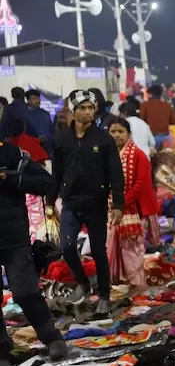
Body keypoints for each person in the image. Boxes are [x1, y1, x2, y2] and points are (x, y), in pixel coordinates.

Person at [49, 90, 125, 314]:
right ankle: (83, 283)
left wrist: (118, 205)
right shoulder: (62, 138)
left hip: (96, 203)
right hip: (71, 202)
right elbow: (56, 173)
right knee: (67, 247)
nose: (87, 112)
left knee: (99, 252)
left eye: (90, 108)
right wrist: (50, 201)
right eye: (82, 108)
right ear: (73, 110)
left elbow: (115, 174)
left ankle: (104, 295)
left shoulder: (104, 139)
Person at [0, 141, 68, 366]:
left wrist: (10, 179)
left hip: (14, 238)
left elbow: (45, 182)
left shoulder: (12, 154)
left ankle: (52, 338)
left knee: (25, 292)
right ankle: (1, 354)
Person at [106, 118, 155, 290]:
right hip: (114, 210)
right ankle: (122, 282)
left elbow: (141, 185)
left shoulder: (138, 155)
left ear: (128, 134)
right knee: (116, 247)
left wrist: (121, 204)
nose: (117, 135)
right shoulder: (108, 155)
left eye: (121, 132)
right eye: (113, 132)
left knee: (132, 248)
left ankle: (137, 284)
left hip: (134, 209)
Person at [21, 90, 54, 159]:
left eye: (38, 98)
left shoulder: (45, 113)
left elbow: (51, 129)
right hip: (32, 148)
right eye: (34, 99)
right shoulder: (23, 115)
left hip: (48, 147)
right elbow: (23, 134)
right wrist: (36, 139)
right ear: (28, 100)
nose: (37, 101)